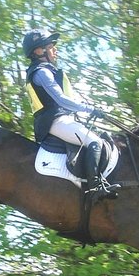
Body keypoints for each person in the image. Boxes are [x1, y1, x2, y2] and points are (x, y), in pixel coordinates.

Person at [23, 29, 119, 199]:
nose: (55, 50)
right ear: (39, 51)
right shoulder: (41, 72)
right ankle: (95, 188)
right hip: (55, 121)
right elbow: (61, 100)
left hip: (60, 119)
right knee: (94, 142)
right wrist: (90, 109)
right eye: (51, 47)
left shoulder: (46, 70)